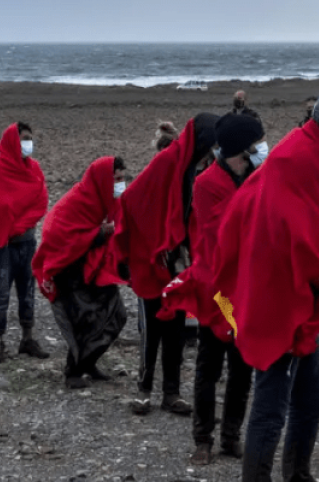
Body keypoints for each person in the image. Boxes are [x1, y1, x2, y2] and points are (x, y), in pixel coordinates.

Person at [213, 84, 319, 482]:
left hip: (290, 298)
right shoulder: (298, 159)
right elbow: (297, 244)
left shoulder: (307, 151)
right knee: (271, 405)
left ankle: (298, 474)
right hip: (278, 303)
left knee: (310, 399)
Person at [159, 113, 266, 465]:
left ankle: (231, 435)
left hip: (248, 289)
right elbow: (221, 238)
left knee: (242, 365)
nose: (263, 147)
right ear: (243, 147)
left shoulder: (256, 176)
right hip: (219, 291)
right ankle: (203, 437)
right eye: (257, 142)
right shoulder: (208, 184)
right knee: (210, 364)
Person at [114, 113, 218, 417]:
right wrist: (156, 242)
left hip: (176, 261)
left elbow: (190, 211)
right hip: (152, 261)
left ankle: (171, 392)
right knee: (152, 329)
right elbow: (133, 200)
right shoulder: (169, 161)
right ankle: (144, 390)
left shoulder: (189, 165)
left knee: (175, 327)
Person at [33, 156, 128, 389]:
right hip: (70, 273)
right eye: (116, 179)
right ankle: (73, 370)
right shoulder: (76, 202)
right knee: (81, 323)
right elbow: (58, 235)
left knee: (115, 316)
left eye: (123, 179)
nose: (120, 184)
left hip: (94, 270)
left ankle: (88, 362)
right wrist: (98, 234)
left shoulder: (106, 202)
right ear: (103, 179)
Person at [0, 123, 50, 363]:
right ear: (12, 141)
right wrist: (15, 223)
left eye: (30, 139)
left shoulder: (34, 169)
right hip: (4, 244)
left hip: (26, 240)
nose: (27, 144)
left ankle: (27, 337)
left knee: (27, 291)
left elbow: (41, 201)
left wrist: (18, 225)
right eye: (23, 139)